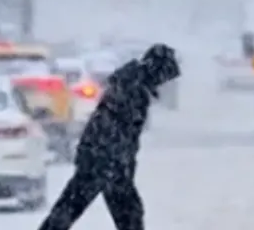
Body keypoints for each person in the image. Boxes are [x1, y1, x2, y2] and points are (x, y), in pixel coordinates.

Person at [36, 43, 181, 230]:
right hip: (104, 161)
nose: (163, 82)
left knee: (72, 208)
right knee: (124, 214)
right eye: (165, 76)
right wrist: (117, 166)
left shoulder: (131, 83)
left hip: (103, 160)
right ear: (156, 70)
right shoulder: (131, 89)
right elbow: (116, 131)